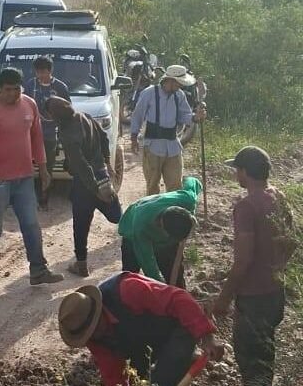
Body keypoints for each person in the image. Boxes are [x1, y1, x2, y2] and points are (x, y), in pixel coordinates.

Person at [211, 146, 297, 386]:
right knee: (265, 356)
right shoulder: (278, 197)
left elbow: (243, 261)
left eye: (237, 170)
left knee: (254, 367)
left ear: (245, 172)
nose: (236, 175)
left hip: (253, 300)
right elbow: (292, 242)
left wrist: (223, 299)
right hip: (275, 293)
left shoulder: (246, 207)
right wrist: (276, 267)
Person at [0, 68, 64, 285]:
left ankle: (38, 270)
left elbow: (37, 138)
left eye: (16, 89)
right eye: (7, 90)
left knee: (31, 224)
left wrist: (43, 169)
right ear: (0, 89)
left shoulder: (29, 105)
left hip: (24, 178)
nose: (12, 94)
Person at [58, 272, 225, 386]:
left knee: (161, 381)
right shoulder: (91, 337)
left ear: (99, 311)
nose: (95, 334)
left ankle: (181, 358)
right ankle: (183, 361)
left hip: (175, 325)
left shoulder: (127, 290)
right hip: (141, 342)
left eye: (95, 327)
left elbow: (179, 299)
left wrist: (207, 337)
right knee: (139, 380)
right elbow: (112, 372)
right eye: (90, 333)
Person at [46, 97, 121, 277]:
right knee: (116, 216)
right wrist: (107, 162)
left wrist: (94, 190)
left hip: (84, 184)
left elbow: (81, 165)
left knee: (81, 226)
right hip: (102, 175)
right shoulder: (85, 116)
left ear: (55, 115)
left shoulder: (66, 133)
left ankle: (81, 264)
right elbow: (103, 138)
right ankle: (132, 239)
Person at [130, 65, 206, 195]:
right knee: (152, 187)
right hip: (153, 146)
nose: (180, 86)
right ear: (170, 80)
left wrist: (195, 117)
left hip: (173, 147)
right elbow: (137, 115)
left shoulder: (179, 95)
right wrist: (133, 138)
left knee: (175, 187)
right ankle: (154, 208)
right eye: (178, 83)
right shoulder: (149, 93)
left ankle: (172, 208)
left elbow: (184, 116)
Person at [119, 176, 203, 288]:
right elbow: (148, 264)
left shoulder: (187, 200)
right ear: (162, 227)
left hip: (164, 234)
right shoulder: (141, 225)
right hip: (131, 234)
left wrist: (187, 179)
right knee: (130, 279)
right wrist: (160, 287)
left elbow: (193, 182)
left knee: (175, 277)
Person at [24, 57, 70, 209]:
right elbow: (23, 105)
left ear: (50, 71)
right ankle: (25, 198)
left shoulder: (60, 87)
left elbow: (68, 110)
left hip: (50, 133)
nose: (40, 75)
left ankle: (44, 199)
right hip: (30, 134)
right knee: (26, 166)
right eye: (38, 72)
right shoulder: (30, 85)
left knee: (47, 167)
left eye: (43, 72)